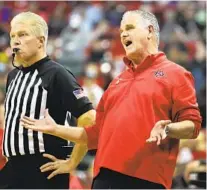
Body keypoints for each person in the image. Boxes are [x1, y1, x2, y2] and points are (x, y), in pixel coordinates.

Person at [21, 10, 202, 189]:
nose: (123, 34)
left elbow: (193, 126)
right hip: (103, 179)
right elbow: (94, 134)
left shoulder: (176, 74)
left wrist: (168, 128)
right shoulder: (117, 81)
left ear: (150, 31)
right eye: (122, 30)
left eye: (129, 28)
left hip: (145, 180)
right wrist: (56, 129)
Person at [0, 11, 95, 189]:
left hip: (43, 170)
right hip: (12, 168)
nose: (15, 41)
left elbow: (89, 117)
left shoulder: (57, 74)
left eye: (23, 34)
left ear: (41, 41)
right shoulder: (13, 75)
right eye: (13, 35)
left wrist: (72, 162)